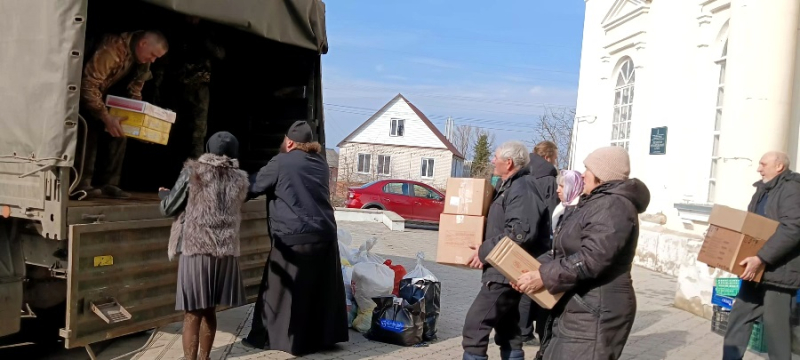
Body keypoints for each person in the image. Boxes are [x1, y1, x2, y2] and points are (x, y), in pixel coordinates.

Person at [513, 146, 650, 360]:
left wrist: (543, 276)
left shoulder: (613, 206)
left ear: (602, 175)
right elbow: (563, 249)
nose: (583, 174)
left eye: (588, 169)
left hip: (597, 310)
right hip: (580, 304)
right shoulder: (595, 202)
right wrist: (529, 271)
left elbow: (592, 258)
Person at [243, 121, 349, 355]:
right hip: (325, 236)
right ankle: (323, 339)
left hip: (293, 238)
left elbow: (252, 186)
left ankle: (272, 339)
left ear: (289, 142)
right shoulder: (321, 164)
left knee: (279, 291)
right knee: (317, 289)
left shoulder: (281, 161)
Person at [159, 131, 249, 360]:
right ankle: (205, 358)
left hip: (196, 250)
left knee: (192, 312)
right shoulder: (241, 179)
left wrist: (165, 196)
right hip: (225, 252)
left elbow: (169, 207)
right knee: (210, 310)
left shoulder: (194, 171)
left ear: (208, 148)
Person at [462, 140, 549, 360]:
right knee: (508, 328)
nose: (493, 160)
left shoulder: (523, 187)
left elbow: (519, 233)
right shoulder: (511, 185)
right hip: (503, 268)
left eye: (496, 157)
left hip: (507, 270)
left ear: (508, 163)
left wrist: (484, 250)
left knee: (476, 325)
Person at [723, 151, 800, 360]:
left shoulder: (793, 189)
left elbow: (793, 229)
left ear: (779, 167)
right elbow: (752, 228)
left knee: (777, 334)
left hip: (778, 274)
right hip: (755, 272)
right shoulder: (762, 190)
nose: (758, 168)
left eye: (763, 164)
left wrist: (761, 259)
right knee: (738, 321)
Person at [77, 30, 169, 199]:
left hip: (105, 97)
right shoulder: (112, 49)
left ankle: (110, 183)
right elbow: (88, 85)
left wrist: (139, 122)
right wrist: (105, 116)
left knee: (121, 130)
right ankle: (81, 184)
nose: (153, 60)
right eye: (153, 55)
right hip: (82, 97)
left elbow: (135, 89)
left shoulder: (143, 58)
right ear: (143, 44)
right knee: (89, 129)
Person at [152, 16, 225, 159]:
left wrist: (204, 39)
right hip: (175, 86)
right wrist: (156, 87)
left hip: (199, 87)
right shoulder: (175, 28)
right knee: (170, 131)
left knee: (197, 135)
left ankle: (193, 173)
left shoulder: (208, 30)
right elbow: (163, 60)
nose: (193, 19)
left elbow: (220, 54)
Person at [518, 140, 560, 344]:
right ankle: (528, 331)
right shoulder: (549, 179)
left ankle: (521, 328)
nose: (555, 163)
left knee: (523, 281)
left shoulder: (524, 171)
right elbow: (551, 212)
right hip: (542, 238)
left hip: (523, 234)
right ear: (547, 157)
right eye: (554, 159)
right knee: (535, 283)